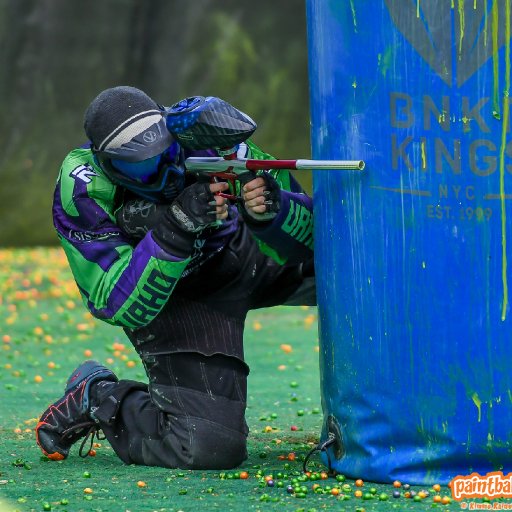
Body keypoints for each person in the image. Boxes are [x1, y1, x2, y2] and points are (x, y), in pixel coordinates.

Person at [35, 86, 315, 469]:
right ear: (109, 164)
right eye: (142, 167)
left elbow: (322, 237)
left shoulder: (204, 132)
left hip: (244, 249)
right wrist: (176, 228)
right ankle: (99, 396)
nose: (165, 173)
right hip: (178, 297)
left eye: (168, 155)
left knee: (359, 268)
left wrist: (272, 212)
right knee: (207, 447)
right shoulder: (83, 187)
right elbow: (115, 301)